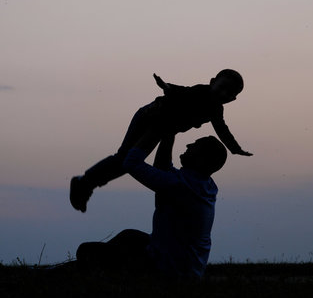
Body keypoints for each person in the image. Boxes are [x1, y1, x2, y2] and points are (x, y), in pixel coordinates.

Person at [70, 69, 250, 212]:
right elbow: (182, 92)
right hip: (150, 117)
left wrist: (234, 148)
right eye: (222, 87)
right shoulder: (201, 91)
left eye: (229, 93)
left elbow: (222, 130)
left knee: (126, 162)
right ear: (212, 83)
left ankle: (87, 184)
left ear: (233, 99)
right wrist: (167, 87)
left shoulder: (216, 111)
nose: (223, 93)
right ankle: (85, 183)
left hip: (162, 128)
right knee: (125, 158)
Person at [76, 132, 227, 279]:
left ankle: (98, 272)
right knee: (129, 236)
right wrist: (168, 134)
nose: (189, 144)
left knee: (85, 250)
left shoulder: (179, 186)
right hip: (189, 269)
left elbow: (131, 163)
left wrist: (156, 130)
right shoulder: (204, 186)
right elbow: (162, 169)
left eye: (196, 145)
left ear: (201, 160)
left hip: (169, 271)